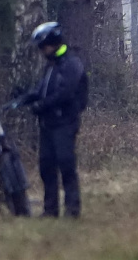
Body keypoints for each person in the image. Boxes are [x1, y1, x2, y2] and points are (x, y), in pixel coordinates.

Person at [19, 21, 88, 218]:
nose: (42, 51)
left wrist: (42, 105)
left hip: (65, 123)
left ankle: (72, 210)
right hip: (48, 124)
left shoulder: (71, 64)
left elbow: (64, 93)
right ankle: (50, 209)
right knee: (46, 166)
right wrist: (25, 97)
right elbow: (42, 89)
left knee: (66, 165)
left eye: (43, 46)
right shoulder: (52, 66)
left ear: (53, 43)